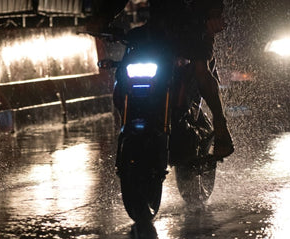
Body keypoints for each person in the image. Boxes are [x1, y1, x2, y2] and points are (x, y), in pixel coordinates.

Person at [88, 0, 234, 158]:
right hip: (158, 29)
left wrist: (213, 16)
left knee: (201, 68)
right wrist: (102, 18)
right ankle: (131, 116)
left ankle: (220, 126)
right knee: (127, 63)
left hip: (195, 27)